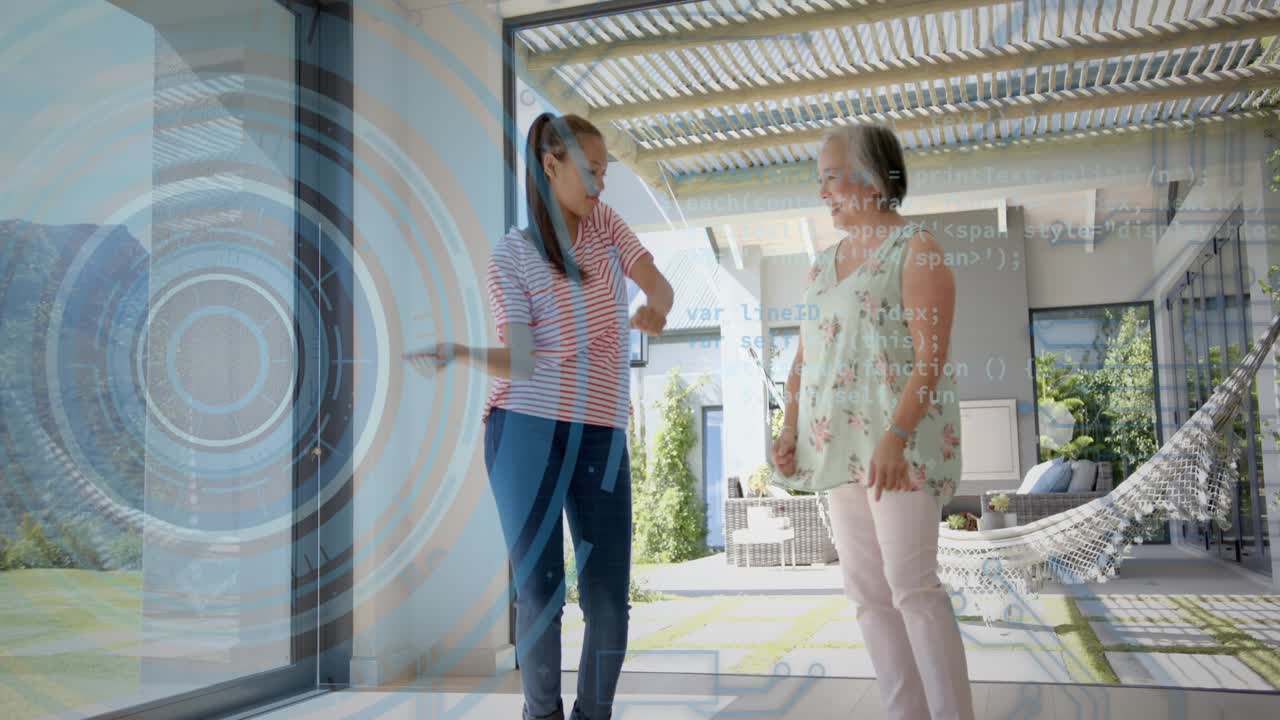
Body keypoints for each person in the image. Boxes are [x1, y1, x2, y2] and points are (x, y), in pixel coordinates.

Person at [405, 113, 673, 720]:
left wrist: (655, 306)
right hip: (524, 428)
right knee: (540, 590)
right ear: (550, 166)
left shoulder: (605, 225)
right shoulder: (512, 255)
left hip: (601, 427)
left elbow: (660, 285)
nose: (600, 185)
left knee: (607, 598)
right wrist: (464, 353)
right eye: (589, 171)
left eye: (605, 172)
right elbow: (521, 362)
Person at [771, 123, 975, 720]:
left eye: (831, 178)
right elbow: (804, 361)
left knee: (912, 587)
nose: (824, 193)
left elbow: (930, 356)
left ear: (872, 179)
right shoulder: (819, 267)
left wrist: (897, 435)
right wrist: (788, 430)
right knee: (866, 594)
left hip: (899, 449)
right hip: (838, 452)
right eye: (820, 182)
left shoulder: (917, 248)